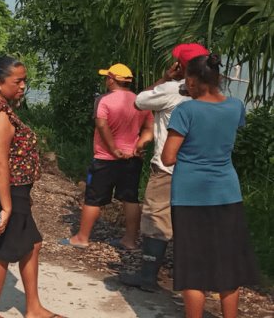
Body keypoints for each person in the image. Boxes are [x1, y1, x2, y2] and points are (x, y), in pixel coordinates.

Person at [164, 54, 260, 318]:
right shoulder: (236, 106)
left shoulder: (186, 110)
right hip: (227, 192)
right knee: (228, 265)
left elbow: (168, 157)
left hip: (190, 196)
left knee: (194, 269)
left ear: (192, 82)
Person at [0, 57, 60, 318]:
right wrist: (7, 206)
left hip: (15, 189)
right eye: (17, 81)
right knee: (3, 251)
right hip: (4, 191)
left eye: (25, 80)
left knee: (32, 243)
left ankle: (33, 307)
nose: (23, 86)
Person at [118, 43, 204, 292]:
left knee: (157, 220)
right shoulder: (215, 96)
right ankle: (192, 281)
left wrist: (165, 77)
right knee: (190, 224)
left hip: (168, 169)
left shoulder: (169, 90)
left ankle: (147, 277)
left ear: (181, 67)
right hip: (199, 171)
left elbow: (139, 101)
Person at [62, 63, 152, 250]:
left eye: (107, 78)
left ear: (111, 80)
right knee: (130, 198)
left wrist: (112, 149)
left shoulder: (104, 100)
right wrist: (139, 145)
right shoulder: (140, 102)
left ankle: (82, 237)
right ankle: (130, 240)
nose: (105, 81)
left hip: (105, 158)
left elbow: (102, 125)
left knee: (93, 198)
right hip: (132, 158)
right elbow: (149, 129)